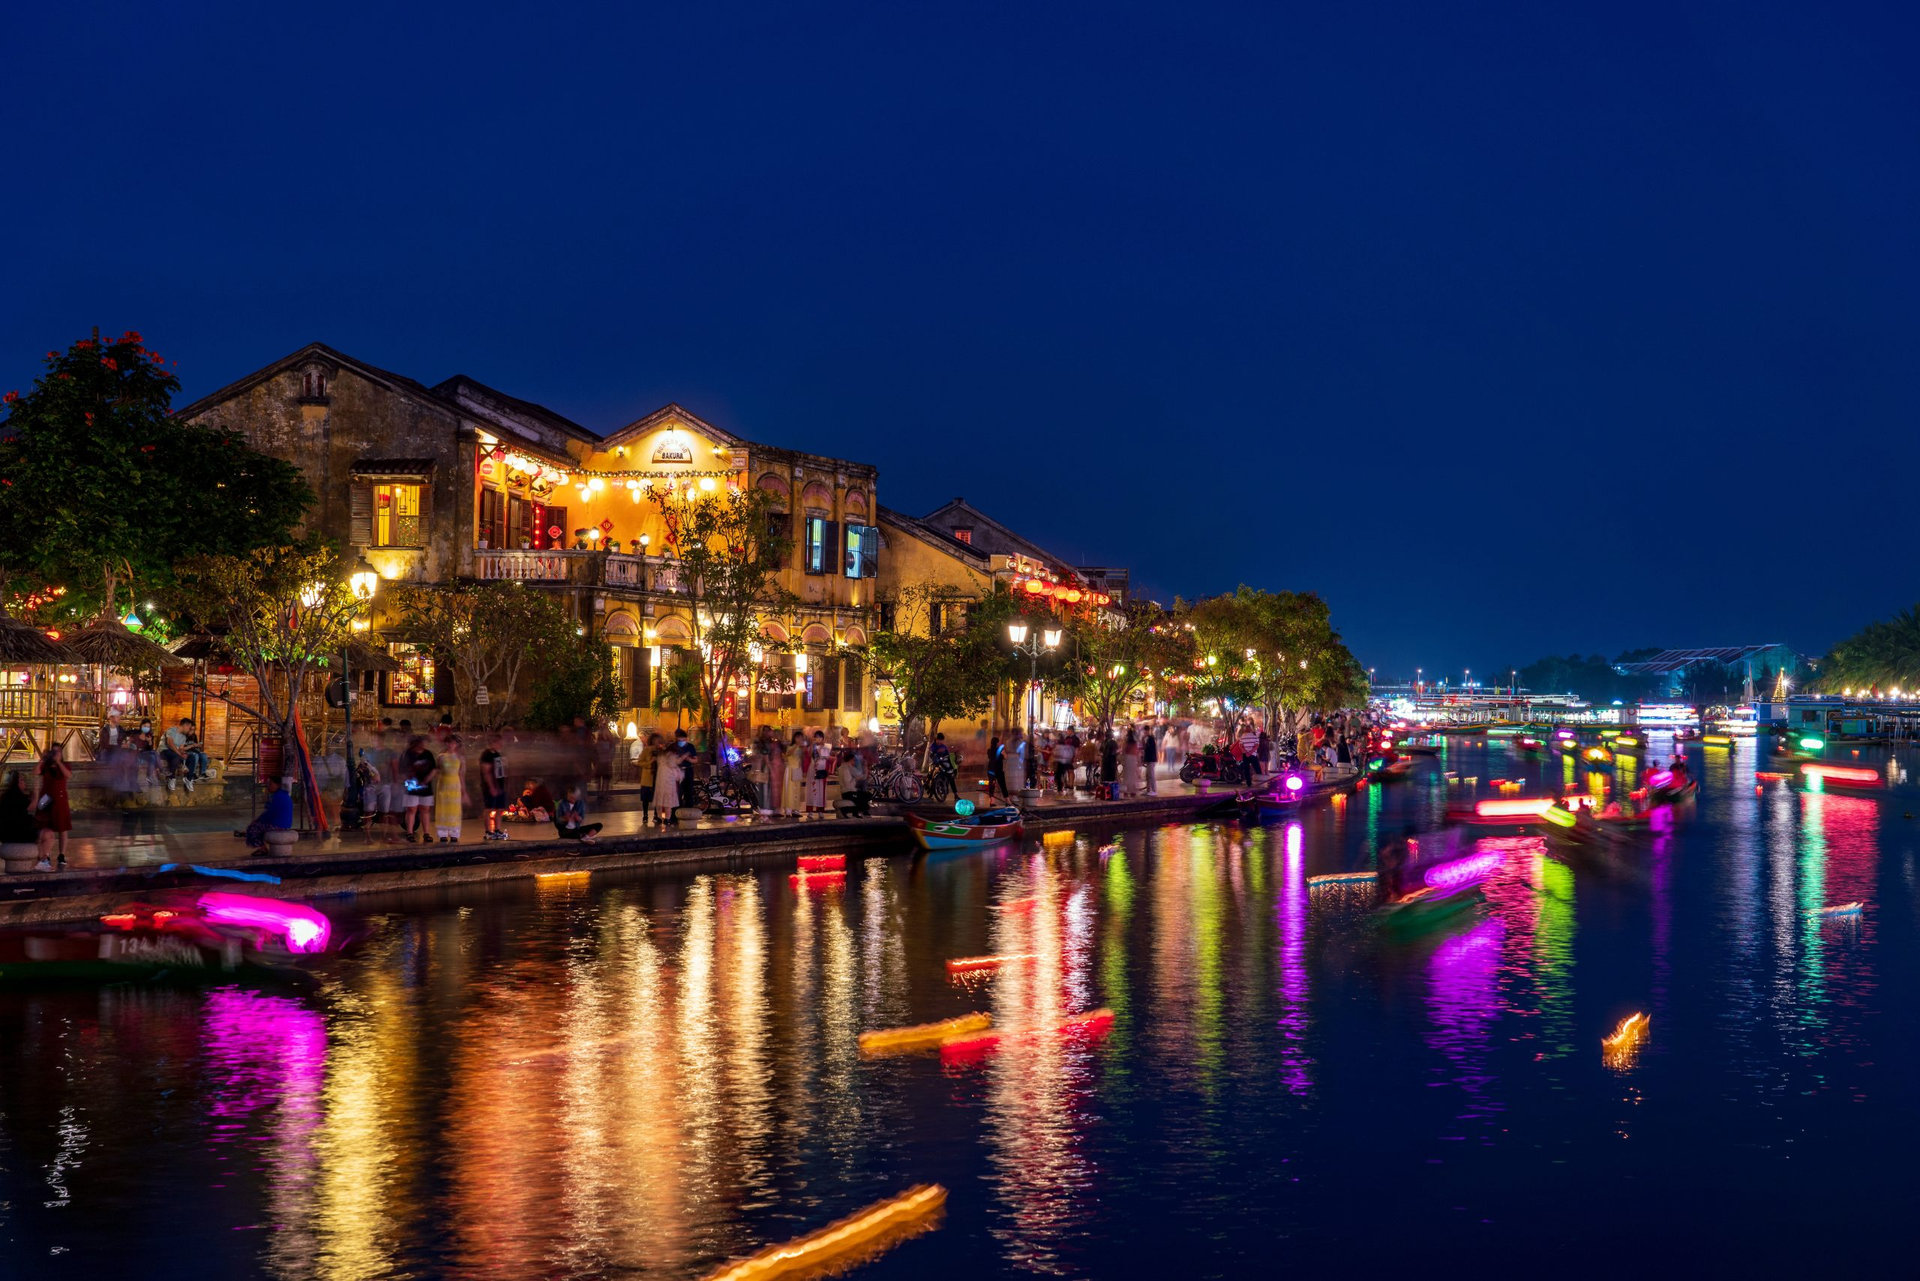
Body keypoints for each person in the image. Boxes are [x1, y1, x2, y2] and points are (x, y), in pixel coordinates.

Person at [31, 745, 72, 867]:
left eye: (57, 751)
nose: (55, 753)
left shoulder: (64, 765)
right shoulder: (46, 766)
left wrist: (58, 762)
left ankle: (61, 855)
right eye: (53, 751)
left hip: (60, 799)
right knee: (44, 825)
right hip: (46, 798)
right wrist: (43, 759)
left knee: (62, 827)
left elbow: (68, 775)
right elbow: (35, 772)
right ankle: (45, 854)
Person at [398, 734, 437, 842]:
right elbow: (402, 771)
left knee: (425, 809)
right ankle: (409, 832)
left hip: (425, 787)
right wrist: (408, 780)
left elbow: (434, 769)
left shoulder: (428, 754)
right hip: (411, 786)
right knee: (411, 809)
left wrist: (427, 779)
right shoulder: (407, 754)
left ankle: (426, 833)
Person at [245, 776, 296, 854]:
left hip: (278, 825)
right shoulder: (283, 795)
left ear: (278, 785)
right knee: (258, 825)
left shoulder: (278, 797)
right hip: (285, 824)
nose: (268, 786)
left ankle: (262, 848)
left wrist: (258, 821)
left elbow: (270, 813)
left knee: (252, 828)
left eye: (270, 784)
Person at [432, 735, 466, 843]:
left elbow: (461, 774)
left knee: (454, 809)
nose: (451, 745)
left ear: (456, 745)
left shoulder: (460, 758)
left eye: (453, 743)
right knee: (443, 808)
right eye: (449, 742)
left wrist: (463, 790)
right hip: (443, 784)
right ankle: (442, 833)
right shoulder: (441, 757)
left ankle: (454, 833)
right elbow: (437, 770)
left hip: (455, 784)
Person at [477, 733, 510, 839]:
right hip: (490, 785)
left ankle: (497, 830)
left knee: (500, 808)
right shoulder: (486, 755)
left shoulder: (497, 754)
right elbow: (486, 771)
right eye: (499, 742)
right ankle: (488, 831)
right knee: (489, 808)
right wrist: (491, 787)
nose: (501, 744)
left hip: (499, 784)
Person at [2, 770, 40, 857]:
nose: (24, 782)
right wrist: (36, 790)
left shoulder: (7, 795)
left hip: (6, 834)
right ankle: (43, 860)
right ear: (16, 783)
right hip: (18, 834)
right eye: (22, 780)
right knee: (46, 834)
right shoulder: (16, 795)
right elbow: (32, 806)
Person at [835, 743, 871, 816]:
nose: (854, 762)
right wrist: (856, 779)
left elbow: (861, 776)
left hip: (848, 792)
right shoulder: (847, 768)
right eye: (853, 760)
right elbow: (849, 782)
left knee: (864, 796)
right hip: (849, 792)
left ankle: (856, 813)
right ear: (850, 760)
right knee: (866, 797)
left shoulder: (843, 767)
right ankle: (846, 810)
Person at [782, 729, 807, 817]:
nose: (800, 739)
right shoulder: (791, 746)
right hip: (790, 770)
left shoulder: (801, 748)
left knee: (797, 790)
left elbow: (802, 759)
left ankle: (795, 810)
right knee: (790, 790)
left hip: (797, 770)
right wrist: (796, 745)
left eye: (801, 738)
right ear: (795, 738)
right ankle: (788, 810)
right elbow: (788, 754)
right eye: (799, 737)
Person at [806, 730, 830, 814]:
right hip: (812, 769)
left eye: (820, 737)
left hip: (821, 769)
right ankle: (810, 811)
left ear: (823, 738)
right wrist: (812, 746)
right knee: (811, 789)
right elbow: (809, 755)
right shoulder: (812, 747)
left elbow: (827, 757)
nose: (818, 739)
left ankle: (820, 810)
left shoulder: (826, 747)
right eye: (816, 737)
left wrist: (820, 752)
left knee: (820, 790)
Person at [1100, 730, 1118, 800]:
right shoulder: (1113, 742)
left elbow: (1100, 751)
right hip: (1111, 762)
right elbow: (1115, 752)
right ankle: (1110, 794)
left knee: (1105, 778)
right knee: (1111, 778)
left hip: (1105, 762)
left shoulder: (1103, 742)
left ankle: (1105, 794)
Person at [1141, 725, 1159, 795]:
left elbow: (1148, 749)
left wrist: (1143, 741)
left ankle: (1154, 791)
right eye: (1144, 731)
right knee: (1147, 775)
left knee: (1151, 775)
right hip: (1149, 759)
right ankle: (1148, 790)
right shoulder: (1148, 738)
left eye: (1146, 731)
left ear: (1148, 731)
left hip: (1151, 760)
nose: (1145, 732)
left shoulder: (1151, 738)